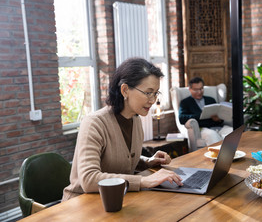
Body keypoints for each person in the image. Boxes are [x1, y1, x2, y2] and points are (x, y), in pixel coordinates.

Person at [62, 58, 183, 201]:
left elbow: (119, 160)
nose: (153, 100)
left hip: (116, 199)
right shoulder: (94, 123)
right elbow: (89, 179)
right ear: (125, 90)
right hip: (81, 203)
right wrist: (143, 181)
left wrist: (147, 161)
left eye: (156, 93)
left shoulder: (135, 119)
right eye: (148, 92)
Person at [178, 77, 233, 145]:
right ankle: (218, 155)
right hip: (202, 129)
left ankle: (234, 154)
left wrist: (219, 119)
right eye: (196, 90)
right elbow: (181, 118)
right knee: (212, 135)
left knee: (232, 131)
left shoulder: (210, 100)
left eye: (201, 89)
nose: (199, 92)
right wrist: (200, 115)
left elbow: (218, 115)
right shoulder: (185, 102)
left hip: (217, 126)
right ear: (190, 89)